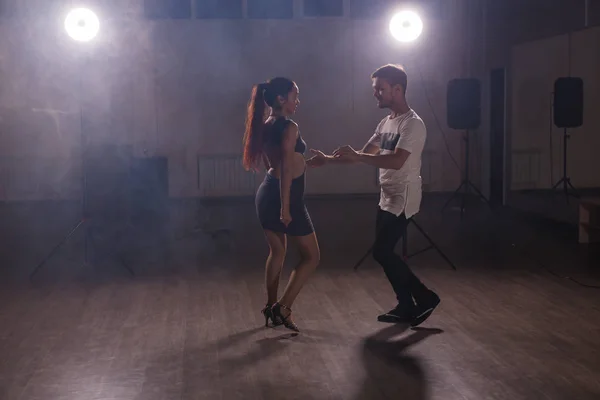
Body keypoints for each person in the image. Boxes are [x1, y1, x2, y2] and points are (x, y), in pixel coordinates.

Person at [307, 64, 440, 327]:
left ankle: (425, 297)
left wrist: (358, 156)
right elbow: (361, 155)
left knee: (381, 251)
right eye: (374, 89)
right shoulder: (385, 123)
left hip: (404, 197)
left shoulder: (413, 124)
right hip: (386, 196)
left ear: (397, 89)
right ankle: (405, 305)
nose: (376, 94)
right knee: (383, 252)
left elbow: (397, 161)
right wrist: (328, 161)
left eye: (380, 89)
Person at [242, 77, 319, 332]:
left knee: (278, 252)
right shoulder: (290, 126)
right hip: (286, 196)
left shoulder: (264, 124)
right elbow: (286, 168)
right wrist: (285, 208)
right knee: (312, 256)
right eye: (295, 95)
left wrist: (307, 163)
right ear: (281, 99)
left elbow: (272, 164)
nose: (299, 100)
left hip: (267, 191)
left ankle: (271, 306)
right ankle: (283, 308)